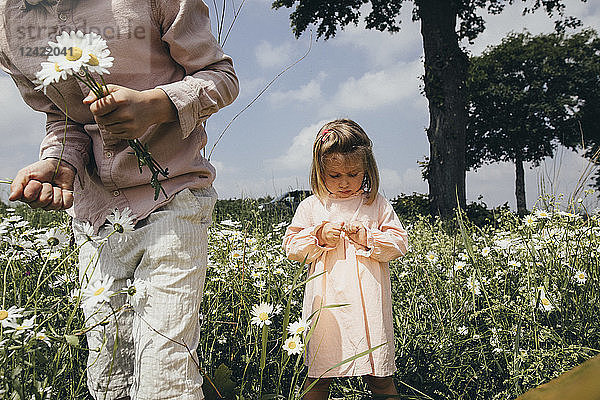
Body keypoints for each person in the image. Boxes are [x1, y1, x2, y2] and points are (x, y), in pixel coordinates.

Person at [0, 1, 239, 399]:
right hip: (95, 220)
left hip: (173, 199)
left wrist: (156, 105)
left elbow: (222, 78)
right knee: (109, 375)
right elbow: (65, 118)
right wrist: (59, 161)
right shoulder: (8, 24)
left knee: (165, 378)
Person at [283, 119, 408, 400]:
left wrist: (369, 238)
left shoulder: (375, 204)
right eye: (335, 176)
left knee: (380, 378)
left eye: (353, 174)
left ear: (367, 169)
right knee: (319, 378)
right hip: (326, 307)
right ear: (320, 172)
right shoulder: (312, 207)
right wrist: (318, 236)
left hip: (369, 306)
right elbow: (292, 248)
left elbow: (399, 243)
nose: (345, 183)